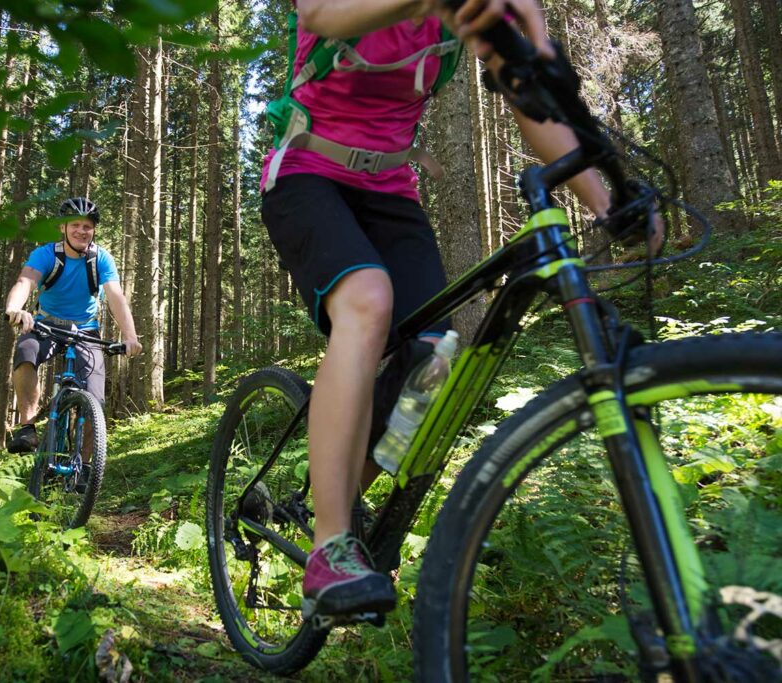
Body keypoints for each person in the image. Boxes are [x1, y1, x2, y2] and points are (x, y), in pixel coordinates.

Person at [260, 0, 646, 620]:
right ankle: (329, 544)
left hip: (388, 187)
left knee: (435, 356)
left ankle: (331, 506)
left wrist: (606, 201)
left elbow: (532, 104)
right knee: (368, 298)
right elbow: (322, 17)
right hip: (306, 172)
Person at [4, 197, 142, 453]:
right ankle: (27, 428)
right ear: (63, 228)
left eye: (87, 226)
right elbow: (26, 281)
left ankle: (86, 468)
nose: (81, 231)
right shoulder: (46, 255)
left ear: (94, 230)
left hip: (85, 330)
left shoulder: (101, 259)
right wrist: (14, 309)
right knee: (25, 352)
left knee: (94, 400)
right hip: (47, 324)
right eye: (74, 225)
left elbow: (116, 297)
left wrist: (130, 336)